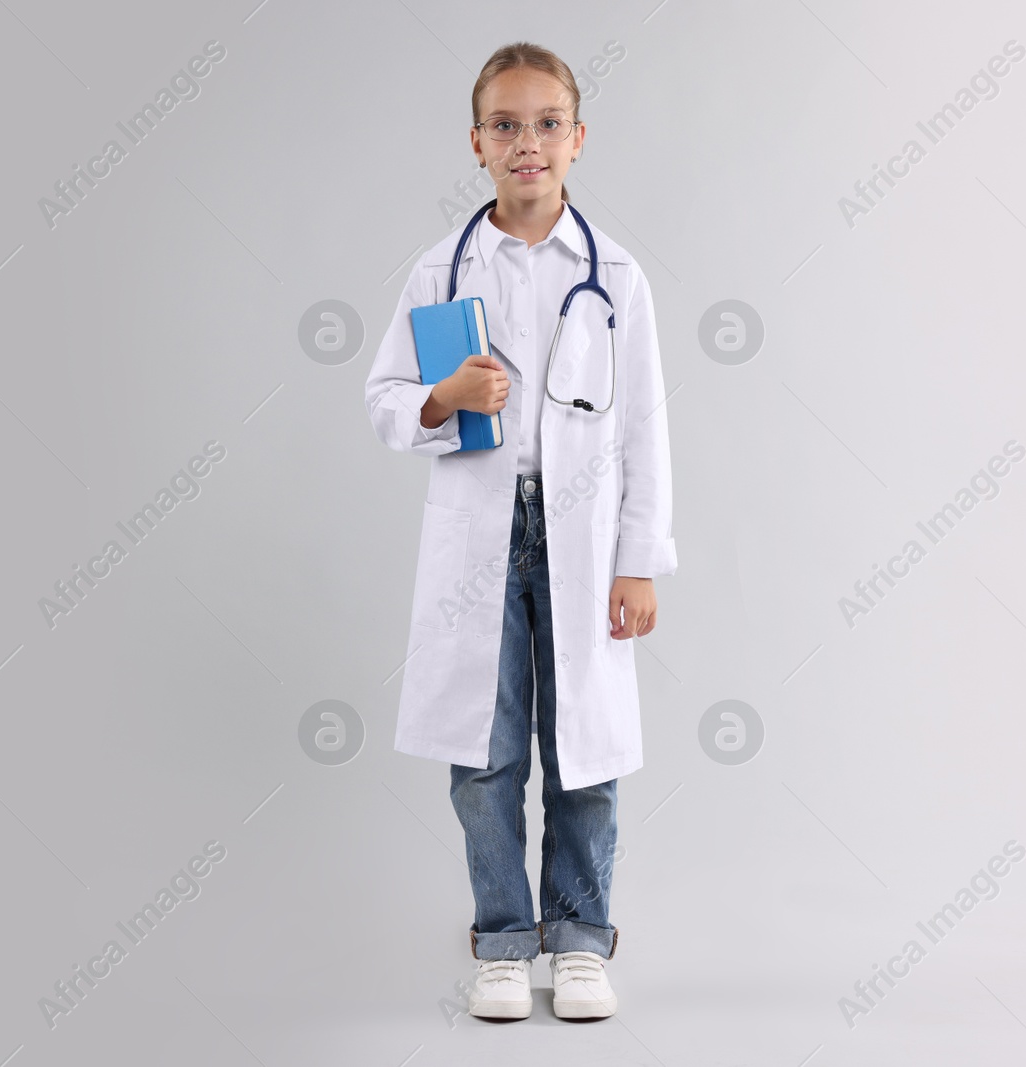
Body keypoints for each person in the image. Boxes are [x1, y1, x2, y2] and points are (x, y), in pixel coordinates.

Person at [364, 41, 676, 1022]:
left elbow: (644, 429)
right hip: (481, 534)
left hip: (581, 538)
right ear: (477, 143)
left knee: (582, 743)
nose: (526, 142)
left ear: (576, 139)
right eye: (505, 124)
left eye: (546, 124)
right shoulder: (439, 270)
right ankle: (502, 938)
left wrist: (639, 560)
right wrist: (442, 397)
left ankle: (578, 937)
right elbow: (382, 401)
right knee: (485, 747)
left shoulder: (617, 276)